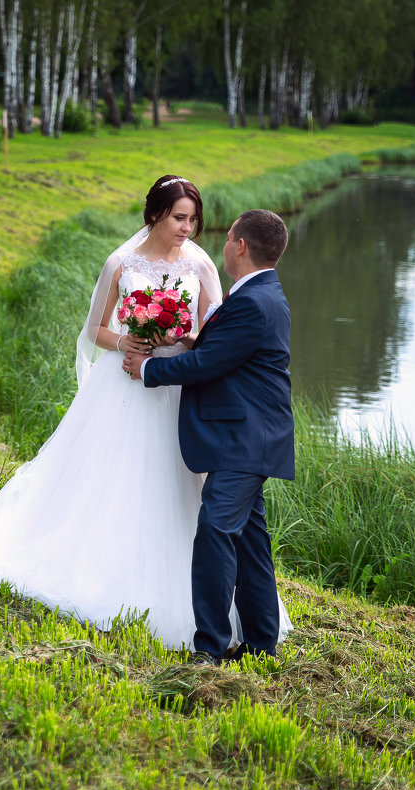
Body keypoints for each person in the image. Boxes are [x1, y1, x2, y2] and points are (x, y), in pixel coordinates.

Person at [0, 177, 292, 653]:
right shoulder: (121, 263)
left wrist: (174, 343)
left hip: (173, 389)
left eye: (194, 219)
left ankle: (219, 630)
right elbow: (96, 330)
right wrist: (127, 340)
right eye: (178, 217)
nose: (187, 228)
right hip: (125, 382)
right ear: (154, 215)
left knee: (185, 494)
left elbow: (213, 339)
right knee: (117, 480)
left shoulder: (202, 265)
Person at [123, 209, 294, 666]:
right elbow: (219, 352)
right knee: (251, 543)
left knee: (216, 531)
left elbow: (206, 364)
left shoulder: (253, 302)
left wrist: (148, 368)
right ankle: (261, 645)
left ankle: (210, 650)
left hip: (246, 438)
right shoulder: (259, 294)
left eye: (228, 237)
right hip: (250, 436)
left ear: (238, 245)